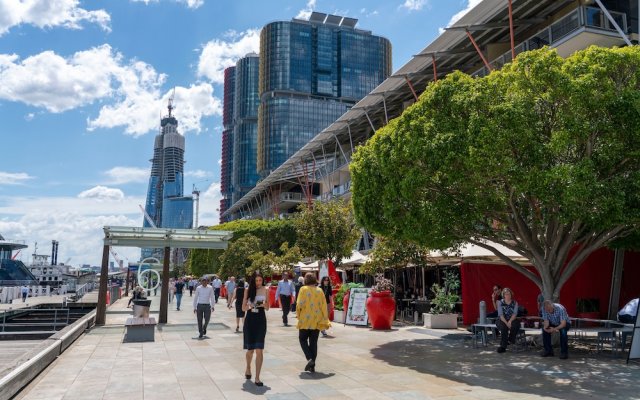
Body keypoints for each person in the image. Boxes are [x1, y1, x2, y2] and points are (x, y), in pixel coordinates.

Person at [296, 272, 330, 373]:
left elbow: (299, 304)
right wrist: (325, 319)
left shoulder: (303, 289)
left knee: (302, 339)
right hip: (317, 320)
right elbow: (324, 306)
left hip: (305, 320)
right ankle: (312, 366)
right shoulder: (320, 290)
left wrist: (298, 315)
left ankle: (310, 359)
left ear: (306, 280)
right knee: (313, 342)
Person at [242, 271, 269, 386]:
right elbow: (243, 308)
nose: (258, 282)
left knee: (259, 350)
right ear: (253, 280)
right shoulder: (248, 290)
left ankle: (257, 377)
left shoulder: (266, 290)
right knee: (250, 350)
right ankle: (248, 367)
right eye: (256, 280)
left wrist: (263, 304)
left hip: (261, 320)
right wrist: (250, 306)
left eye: (260, 280)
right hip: (250, 320)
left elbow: (268, 307)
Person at [496, 288, 520, 353]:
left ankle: (510, 340)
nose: (508, 295)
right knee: (504, 327)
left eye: (509, 294)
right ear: (503, 295)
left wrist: (510, 321)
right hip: (502, 319)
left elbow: (515, 314)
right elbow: (501, 315)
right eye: (506, 294)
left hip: (512, 318)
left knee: (515, 325)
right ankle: (503, 347)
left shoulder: (515, 303)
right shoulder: (500, 302)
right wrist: (507, 323)